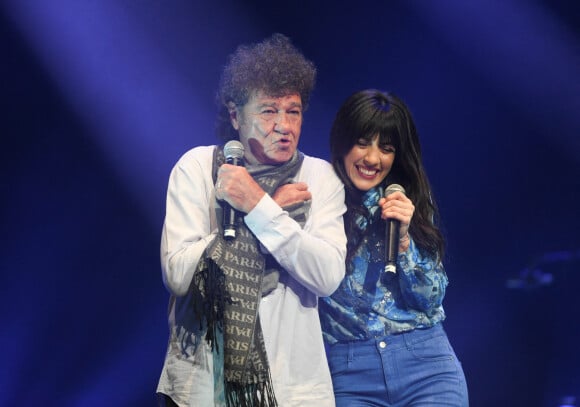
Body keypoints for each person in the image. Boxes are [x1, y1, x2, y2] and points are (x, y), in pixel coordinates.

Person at [156, 33, 347, 407]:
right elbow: (179, 275)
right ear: (235, 115)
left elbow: (327, 276)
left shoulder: (318, 176)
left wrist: (257, 204)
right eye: (268, 110)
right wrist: (267, 212)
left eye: (293, 111)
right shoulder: (197, 168)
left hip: (294, 391)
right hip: (201, 387)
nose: (284, 125)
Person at [319, 89, 468, 406]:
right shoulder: (317, 195)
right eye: (362, 144)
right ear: (342, 142)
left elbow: (430, 298)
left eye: (385, 149)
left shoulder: (408, 200)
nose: (372, 159)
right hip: (349, 372)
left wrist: (403, 241)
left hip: (427, 366)